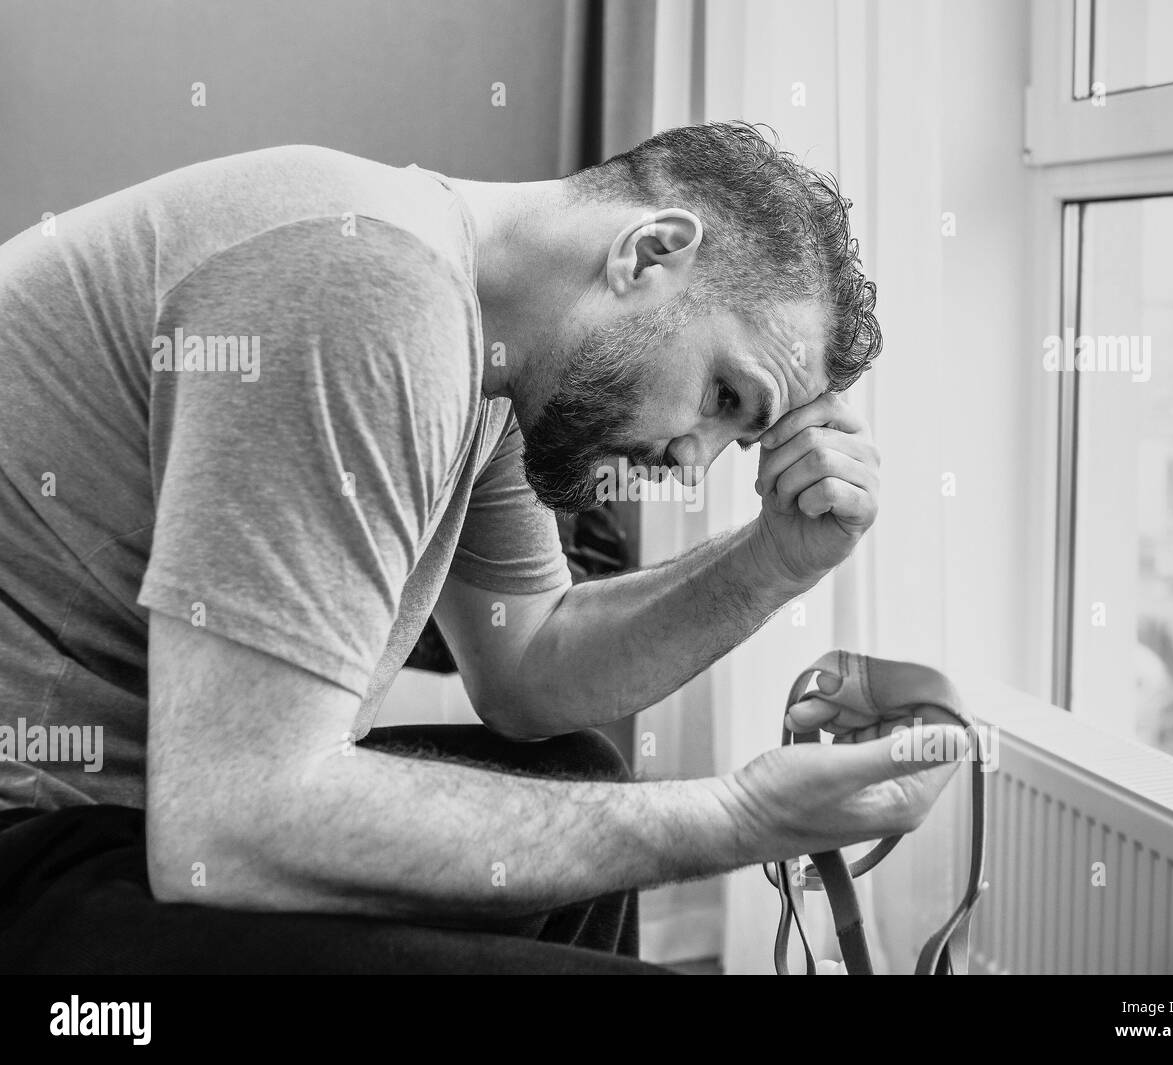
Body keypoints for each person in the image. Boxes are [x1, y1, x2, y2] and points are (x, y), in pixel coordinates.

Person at [0, 122, 964, 973]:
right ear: (653, 251)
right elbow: (238, 820)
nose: (693, 463)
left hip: (140, 811)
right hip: (45, 832)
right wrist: (741, 820)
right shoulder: (364, 283)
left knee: (577, 772)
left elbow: (528, 669)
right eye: (723, 397)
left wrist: (774, 558)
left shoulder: (488, 358)